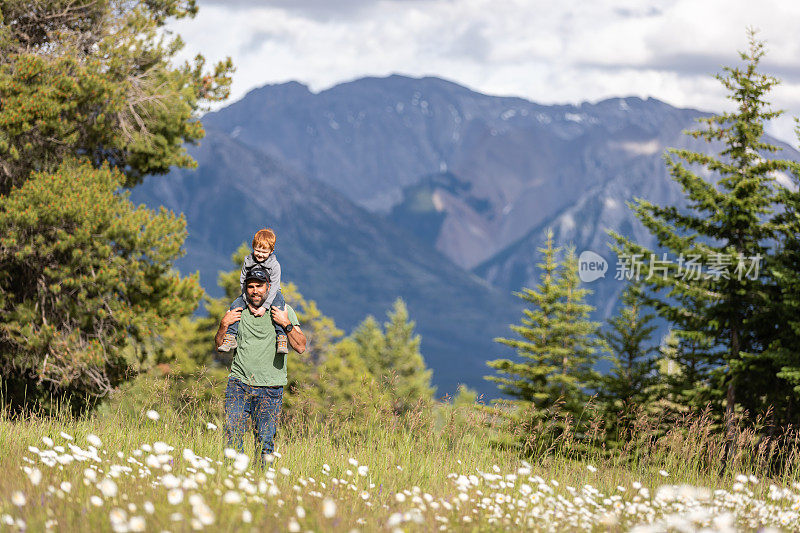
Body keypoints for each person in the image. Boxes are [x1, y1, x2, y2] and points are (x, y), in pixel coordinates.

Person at [215, 266, 307, 464]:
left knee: (265, 441)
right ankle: (232, 480)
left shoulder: (283, 310)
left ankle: (262, 483)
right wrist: (224, 324)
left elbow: (300, 346)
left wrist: (286, 324)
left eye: (259, 286)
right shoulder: (237, 310)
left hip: (270, 387)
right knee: (232, 436)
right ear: (245, 288)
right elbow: (219, 344)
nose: (255, 290)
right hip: (238, 384)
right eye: (250, 286)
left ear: (269, 287)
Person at [218, 228, 289, 354]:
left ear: (271, 251)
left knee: (279, 306)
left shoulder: (275, 265)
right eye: (257, 250)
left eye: (264, 252)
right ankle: (230, 336)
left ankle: (281, 337)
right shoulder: (248, 261)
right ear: (253, 247)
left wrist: (265, 307)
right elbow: (243, 281)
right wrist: (248, 302)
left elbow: (275, 285)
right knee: (235, 305)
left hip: (272, 292)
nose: (260, 254)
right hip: (249, 292)